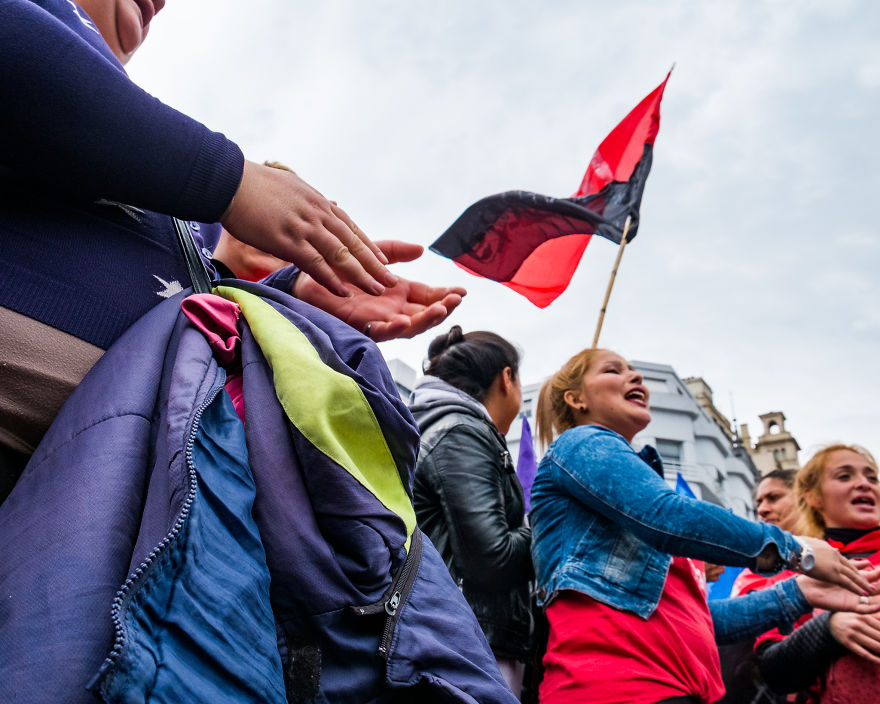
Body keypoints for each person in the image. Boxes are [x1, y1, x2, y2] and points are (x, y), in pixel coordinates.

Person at [0, 0, 463, 499]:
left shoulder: (149, 174)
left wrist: (294, 295)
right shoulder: (185, 170)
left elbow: (190, 296)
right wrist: (231, 180)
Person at [529, 348, 880, 704]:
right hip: (618, 688)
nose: (635, 377)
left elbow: (703, 623)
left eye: (635, 370)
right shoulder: (581, 443)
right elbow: (666, 516)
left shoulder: (629, 507)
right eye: (613, 370)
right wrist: (793, 549)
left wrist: (800, 593)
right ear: (575, 399)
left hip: (673, 689)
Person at [410, 326, 533, 697]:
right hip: (472, 646)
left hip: (454, 640)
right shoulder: (462, 431)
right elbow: (492, 558)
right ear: (506, 378)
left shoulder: (441, 425)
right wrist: (550, 519)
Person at [757, 445, 880, 702]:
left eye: (872, 478)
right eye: (844, 476)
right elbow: (773, 672)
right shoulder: (794, 568)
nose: (864, 484)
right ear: (813, 496)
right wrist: (828, 629)